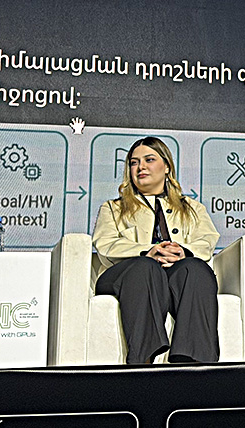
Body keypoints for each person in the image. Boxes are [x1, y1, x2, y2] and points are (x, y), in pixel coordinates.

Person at [92, 137, 221, 364]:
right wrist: (147, 251)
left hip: (172, 274)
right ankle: (142, 362)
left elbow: (207, 240)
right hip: (125, 275)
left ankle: (193, 363)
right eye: (134, 162)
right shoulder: (113, 208)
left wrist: (183, 252)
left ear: (167, 167)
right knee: (146, 267)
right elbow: (105, 245)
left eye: (149, 160)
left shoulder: (193, 208)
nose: (140, 167)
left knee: (195, 269)